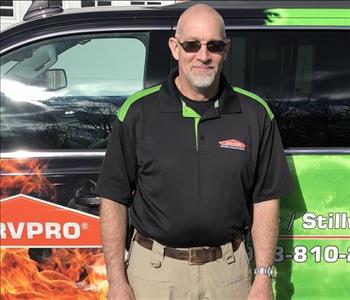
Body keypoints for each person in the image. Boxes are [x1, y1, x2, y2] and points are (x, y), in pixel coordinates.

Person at [96, 3, 293, 300]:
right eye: (192, 45)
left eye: (214, 45)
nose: (203, 55)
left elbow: (265, 200)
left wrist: (264, 278)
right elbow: (113, 198)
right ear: (174, 48)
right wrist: (116, 281)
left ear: (225, 50)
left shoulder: (255, 113)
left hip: (229, 273)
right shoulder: (137, 112)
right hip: (155, 273)